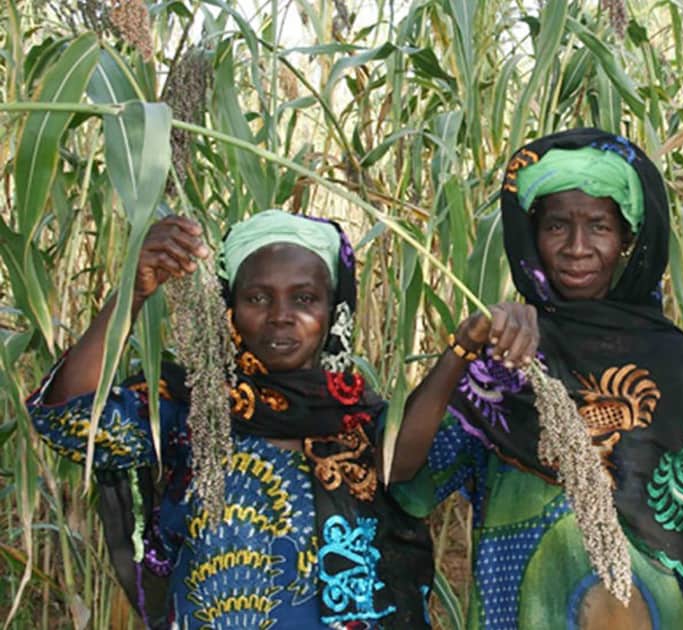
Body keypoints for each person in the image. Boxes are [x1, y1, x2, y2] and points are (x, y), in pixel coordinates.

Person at [390, 128, 683, 629]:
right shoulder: (503, 357)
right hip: (519, 605)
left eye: (599, 226)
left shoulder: (669, 359)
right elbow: (400, 468)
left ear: (627, 238)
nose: (577, 247)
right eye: (557, 226)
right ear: (533, 237)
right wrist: (463, 346)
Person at [26, 211, 433, 628]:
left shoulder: (370, 427)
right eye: (257, 297)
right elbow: (68, 420)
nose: (280, 315)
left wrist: (467, 350)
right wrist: (133, 290)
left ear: (334, 309)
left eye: (305, 298)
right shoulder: (191, 414)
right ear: (229, 309)